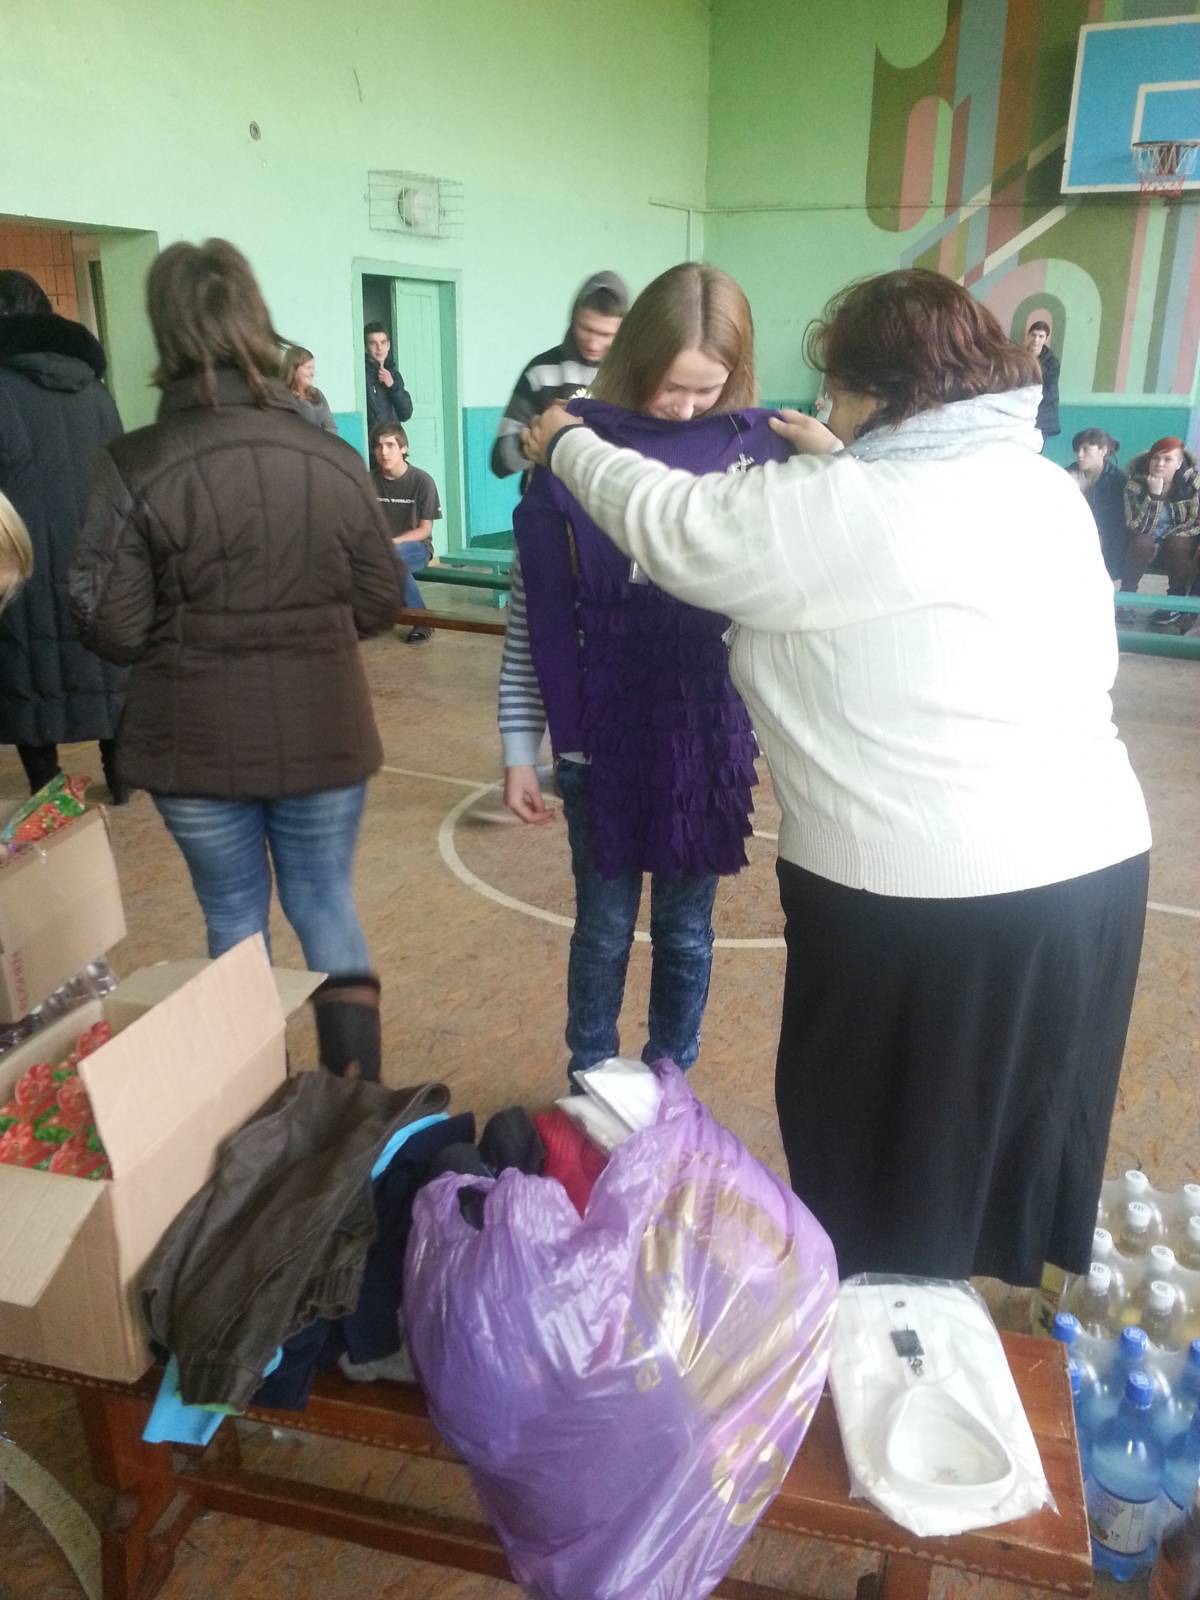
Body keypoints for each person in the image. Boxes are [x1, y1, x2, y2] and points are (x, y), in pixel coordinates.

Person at [526, 267, 1151, 1284]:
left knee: (880, 1175)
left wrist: (566, 441)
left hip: (927, 902)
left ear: (882, 394)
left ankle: (892, 1344)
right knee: (1011, 1150)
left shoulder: (849, 503)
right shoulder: (1039, 485)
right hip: (1094, 875)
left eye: (838, 392)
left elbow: (675, 523)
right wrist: (838, 463)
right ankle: (985, 1334)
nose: (826, 410)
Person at [70, 240, 403, 1082]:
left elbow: (109, 623)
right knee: (325, 904)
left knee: (231, 917)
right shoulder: (332, 457)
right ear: (258, 324)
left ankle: (254, 1106)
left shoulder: (134, 463)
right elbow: (379, 600)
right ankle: (357, 1104)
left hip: (192, 743)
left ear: (165, 332)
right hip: (323, 730)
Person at [499, 263, 792, 1081]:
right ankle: (591, 1073)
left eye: (708, 390)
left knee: (686, 932)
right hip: (599, 740)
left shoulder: (758, 449)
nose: (686, 408)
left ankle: (671, 1080)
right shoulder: (571, 447)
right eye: (672, 386)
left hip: (704, 742)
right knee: (602, 928)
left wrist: (828, 455)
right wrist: (520, 746)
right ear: (635, 357)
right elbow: (533, 615)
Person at [0, 269, 127, 800]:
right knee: (107, 672)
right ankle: (121, 781)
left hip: (23, 555)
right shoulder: (95, 391)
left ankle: (48, 793)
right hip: (98, 554)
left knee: (30, 672)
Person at [490, 271, 627, 480]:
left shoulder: (629, 377)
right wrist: (542, 430)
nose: (593, 344)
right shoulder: (540, 370)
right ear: (573, 318)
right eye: (586, 328)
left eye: (606, 334)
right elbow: (501, 461)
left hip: (607, 497)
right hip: (545, 498)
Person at [369, 421, 441, 644]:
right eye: (379, 446)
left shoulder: (422, 481)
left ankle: (423, 620)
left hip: (416, 547)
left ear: (403, 448)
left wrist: (393, 542)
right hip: (377, 549)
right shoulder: (368, 480)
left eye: (390, 445)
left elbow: (424, 529)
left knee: (394, 558)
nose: (384, 452)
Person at [1121, 436, 1199, 629]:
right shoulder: (1135, 486)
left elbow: (1195, 523)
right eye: (1155, 458)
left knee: (1179, 542)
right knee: (1142, 542)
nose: (1160, 463)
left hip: (1178, 546)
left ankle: (1174, 603)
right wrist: (1154, 497)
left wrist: (1167, 538)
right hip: (1146, 543)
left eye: (1167, 459)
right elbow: (1135, 525)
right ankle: (1126, 599)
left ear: (1179, 463)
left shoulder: (1193, 486)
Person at [1068, 428, 1126, 586]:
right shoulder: (1067, 474)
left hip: (1105, 537)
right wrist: (1072, 490)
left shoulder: (1118, 480)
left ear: (1103, 451)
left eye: (1086, 449)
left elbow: (1117, 523)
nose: (1079, 454)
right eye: (1077, 449)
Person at [363, 323, 413, 428]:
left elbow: (406, 413)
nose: (379, 348)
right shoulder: (363, 374)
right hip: (372, 436)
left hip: (393, 435)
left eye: (383, 342)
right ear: (366, 347)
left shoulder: (394, 375)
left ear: (388, 345)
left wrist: (392, 386)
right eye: (373, 343)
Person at [282, 345, 338, 433]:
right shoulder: (283, 396)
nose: (312, 373)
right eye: (308, 368)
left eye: (313, 368)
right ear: (294, 369)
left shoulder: (317, 394)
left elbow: (331, 427)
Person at [1024, 319, 1060, 445]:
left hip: (1042, 414)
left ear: (1046, 339)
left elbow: (1048, 389)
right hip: (1020, 411)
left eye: (1041, 336)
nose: (1036, 340)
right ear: (1028, 335)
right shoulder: (1017, 356)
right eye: (1033, 335)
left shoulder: (1052, 362)